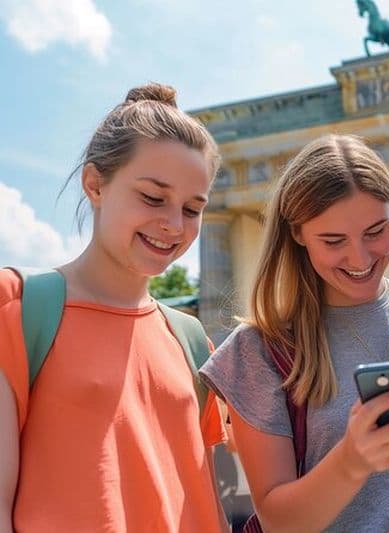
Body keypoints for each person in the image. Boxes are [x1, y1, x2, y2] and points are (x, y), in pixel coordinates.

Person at [199, 134, 389, 532]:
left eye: (376, 230)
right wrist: (352, 461)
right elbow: (278, 521)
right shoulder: (260, 349)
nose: (360, 258)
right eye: (333, 241)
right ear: (297, 234)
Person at [0, 83, 228, 531]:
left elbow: (209, 503)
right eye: (152, 197)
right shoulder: (18, 306)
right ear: (95, 184)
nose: (173, 224)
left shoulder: (192, 340)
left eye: (192, 208)